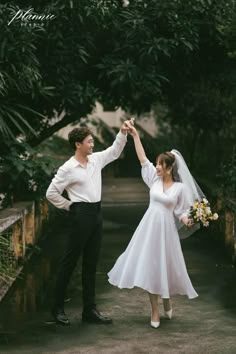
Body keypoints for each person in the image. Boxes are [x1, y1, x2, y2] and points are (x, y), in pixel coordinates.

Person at [108, 121, 204, 329]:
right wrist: (135, 136)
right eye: (157, 164)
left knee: (166, 266)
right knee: (151, 266)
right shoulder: (154, 180)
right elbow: (143, 159)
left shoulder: (180, 188)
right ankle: (154, 310)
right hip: (148, 228)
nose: (157, 167)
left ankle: (167, 299)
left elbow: (181, 211)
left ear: (170, 168)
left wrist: (188, 219)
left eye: (161, 164)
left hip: (166, 232)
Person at [46, 118, 133, 326]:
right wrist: (71, 207)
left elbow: (114, 151)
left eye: (92, 141)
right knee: (69, 262)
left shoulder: (96, 160)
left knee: (91, 262)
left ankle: (89, 310)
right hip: (80, 214)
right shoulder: (68, 168)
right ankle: (57, 308)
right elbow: (51, 193)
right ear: (78, 144)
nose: (92, 145)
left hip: (96, 214)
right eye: (89, 142)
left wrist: (123, 132)